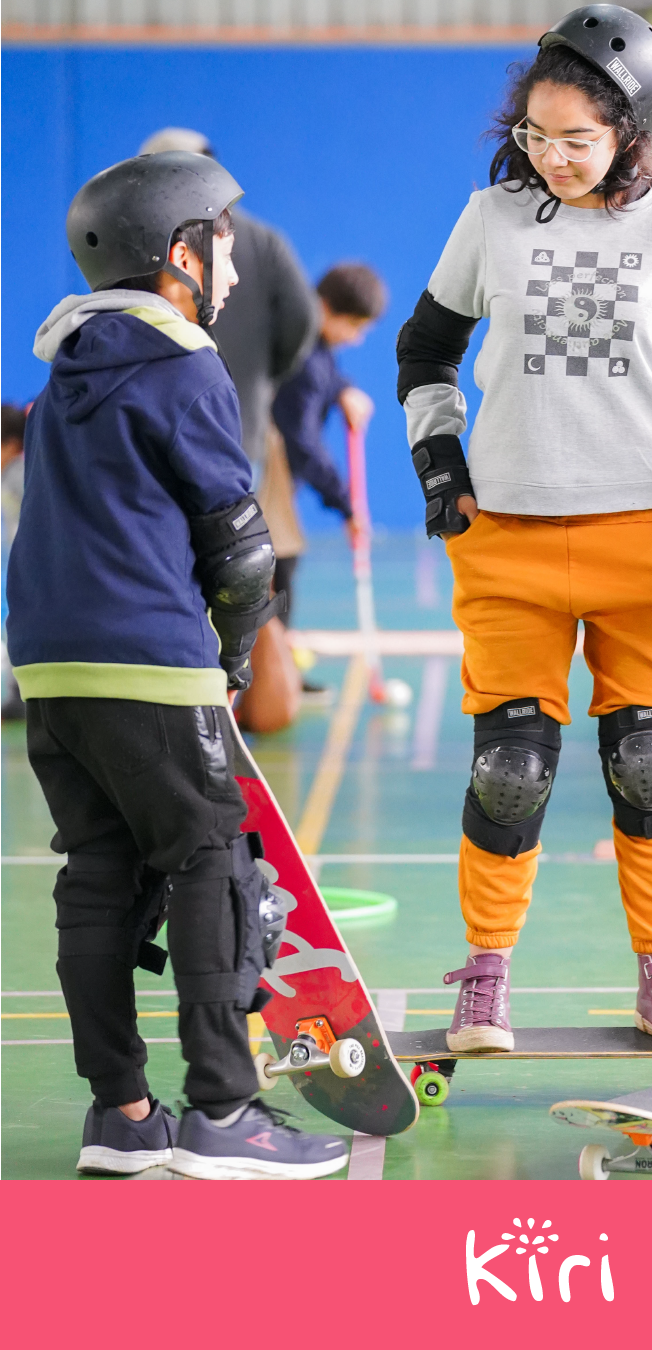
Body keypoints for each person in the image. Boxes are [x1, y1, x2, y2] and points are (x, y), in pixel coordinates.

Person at [397, 5, 652, 1054]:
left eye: (577, 139)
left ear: (630, 135)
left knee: (650, 760)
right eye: (535, 134)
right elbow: (425, 350)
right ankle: (486, 976)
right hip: (507, 535)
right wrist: (440, 463)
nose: (551, 156)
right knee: (509, 767)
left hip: (645, 537)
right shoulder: (490, 218)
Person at [5, 152, 348, 1178]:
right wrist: (234, 656)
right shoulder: (185, 364)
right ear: (181, 254)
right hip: (147, 658)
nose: (234, 269)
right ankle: (224, 1112)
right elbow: (239, 551)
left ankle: (121, 1117)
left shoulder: (67, 367)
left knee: (99, 872)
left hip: (50, 664)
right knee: (212, 860)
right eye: (224, 246)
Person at [138, 129, 318, 479]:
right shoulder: (264, 240)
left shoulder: (140, 239)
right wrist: (264, 373)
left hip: (157, 431)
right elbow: (302, 316)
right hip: (239, 427)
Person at [268, 262, 387, 622]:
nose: (356, 339)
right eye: (354, 326)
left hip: (269, 469)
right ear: (325, 308)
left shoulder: (308, 343)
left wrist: (343, 390)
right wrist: (346, 505)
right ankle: (273, 652)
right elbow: (303, 444)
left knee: (280, 559)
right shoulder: (303, 354)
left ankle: (278, 649)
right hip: (263, 469)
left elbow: (326, 375)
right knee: (276, 562)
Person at [1, 403, 28, 719]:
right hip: (16, 569)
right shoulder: (8, 476)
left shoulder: (21, 475)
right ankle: (17, 690)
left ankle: (21, 693)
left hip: (31, 569)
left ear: (10, 444)